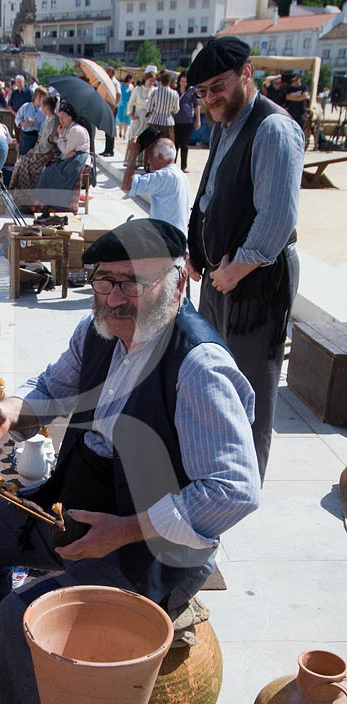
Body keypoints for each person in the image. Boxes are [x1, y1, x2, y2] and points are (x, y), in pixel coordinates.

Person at [0, 217, 261, 704]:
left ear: (179, 279)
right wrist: (12, 409)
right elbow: (55, 388)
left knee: (22, 613)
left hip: (150, 546)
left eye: (132, 283)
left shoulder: (198, 366)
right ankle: (0, 673)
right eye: (104, 281)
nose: (115, 297)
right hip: (79, 505)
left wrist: (127, 529)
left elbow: (234, 490)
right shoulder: (98, 332)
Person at [186, 36, 304, 482]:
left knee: (252, 385)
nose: (211, 97)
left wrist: (238, 268)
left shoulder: (273, 127)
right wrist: (197, 251)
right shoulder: (224, 124)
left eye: (218, 85)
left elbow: (277, 215)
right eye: (202, 92)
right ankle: (217, 462)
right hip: (221, 276)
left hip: (256, 280)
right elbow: (212, 192)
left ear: (247, 73)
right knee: (214, 373)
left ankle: (244, 482)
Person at [29, 101, 90, 213]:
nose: (61, 120)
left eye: (64, 117)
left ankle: (52, 206)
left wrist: (59, 137)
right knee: (47, 170)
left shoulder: (75, 129)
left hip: (77, 160)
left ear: (71, 117)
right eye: (60, 118)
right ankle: (41, 205)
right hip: (71, 158)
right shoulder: (68, 128)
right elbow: (66, 151)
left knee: (49, 173)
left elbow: (66, 150)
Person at [127, 138, 190, 234]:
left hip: (167, 241)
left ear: (160, 157)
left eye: (149, 157)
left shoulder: (165, 176)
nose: (148, 161)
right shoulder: (180, 175)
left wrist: (133, 155)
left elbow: (127, 184)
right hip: (177, 239)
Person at [10, 93, 58, 205]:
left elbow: (47, 143)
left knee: (24, 164)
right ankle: (21, 196)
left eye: (42, 106)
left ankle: (27, 197)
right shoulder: (49, 119)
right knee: (21, 162)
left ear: (46, 107)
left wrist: (36, 150)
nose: (41, 108)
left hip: (45, 153)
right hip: (36, 146)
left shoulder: (52, 120)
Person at [174, 71, 200, 173]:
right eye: (182, 81)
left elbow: (196, 105)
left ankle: (183, 166)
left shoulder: (192, 91)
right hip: (175, 121)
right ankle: (172, 165)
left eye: (185, 81)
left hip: (187, 121)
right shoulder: (175, 90)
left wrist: (198, 120)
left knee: (184, 144)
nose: (183, 83)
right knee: (174, 144)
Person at [146, 71, 179, 142]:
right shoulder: (175, 94)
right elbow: (176, 110)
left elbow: (149, 107)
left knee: (150, 146)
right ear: (170, 82)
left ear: (160, 81)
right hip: (168, 122)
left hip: (154, 121)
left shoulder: (155, 92)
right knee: (167, 148)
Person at [14, 86, 47, 155]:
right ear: (35, 96)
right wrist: (25, 123)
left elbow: (42, 129)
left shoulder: (43, 111)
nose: (41, 99)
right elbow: (17, 119)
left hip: (36, 137)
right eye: (39, 96)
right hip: (25, 135)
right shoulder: (26, 106)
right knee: (23, 156)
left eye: (43, 97)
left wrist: (36, 146)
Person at [100, 66, 121, 157]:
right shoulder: (107, 81)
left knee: (110, 129)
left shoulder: (115, 83)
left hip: (111, 107)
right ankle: (106, 149)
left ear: (112, 73)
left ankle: (110, 150)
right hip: (107, 106)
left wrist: (115, 105)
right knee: (107, 129)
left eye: (107, 72)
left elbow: (118, 94)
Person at [117, 73, 134, 139]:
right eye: (132, 79)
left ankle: (124, 134)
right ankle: (120, 132)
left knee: (127, 120)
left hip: (128, 104)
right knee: (120, 118)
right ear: (129, 79)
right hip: (121, 104)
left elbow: (132, 95)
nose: (132, 80)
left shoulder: (131, 86)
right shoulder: (121, 85)